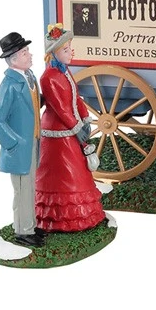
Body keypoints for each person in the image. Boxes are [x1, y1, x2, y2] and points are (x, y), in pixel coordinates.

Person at [35, 23, 105, 232]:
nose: (70, 52)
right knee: (63, 174)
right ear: (54, 53)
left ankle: (82, 214)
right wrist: (77, 128)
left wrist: (85, 119)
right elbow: (61, 109)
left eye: (69, 48)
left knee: (78, 171)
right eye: (66, 50)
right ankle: (58, 218)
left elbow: (76, 98)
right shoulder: (48, 78)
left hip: (71, 128)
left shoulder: (66, 72)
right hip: (58, 133)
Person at [0, 32, 45, 247]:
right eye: (24, 53)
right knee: (23, 190)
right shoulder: (10, 85)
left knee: (31, 187)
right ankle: (23, 231)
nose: (29, 55)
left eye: (27, 51)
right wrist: (14, 143)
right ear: (13, 60)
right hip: (21, 147)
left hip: (33, 141)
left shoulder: (29, 77)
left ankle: (31, 225)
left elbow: (30, 106)